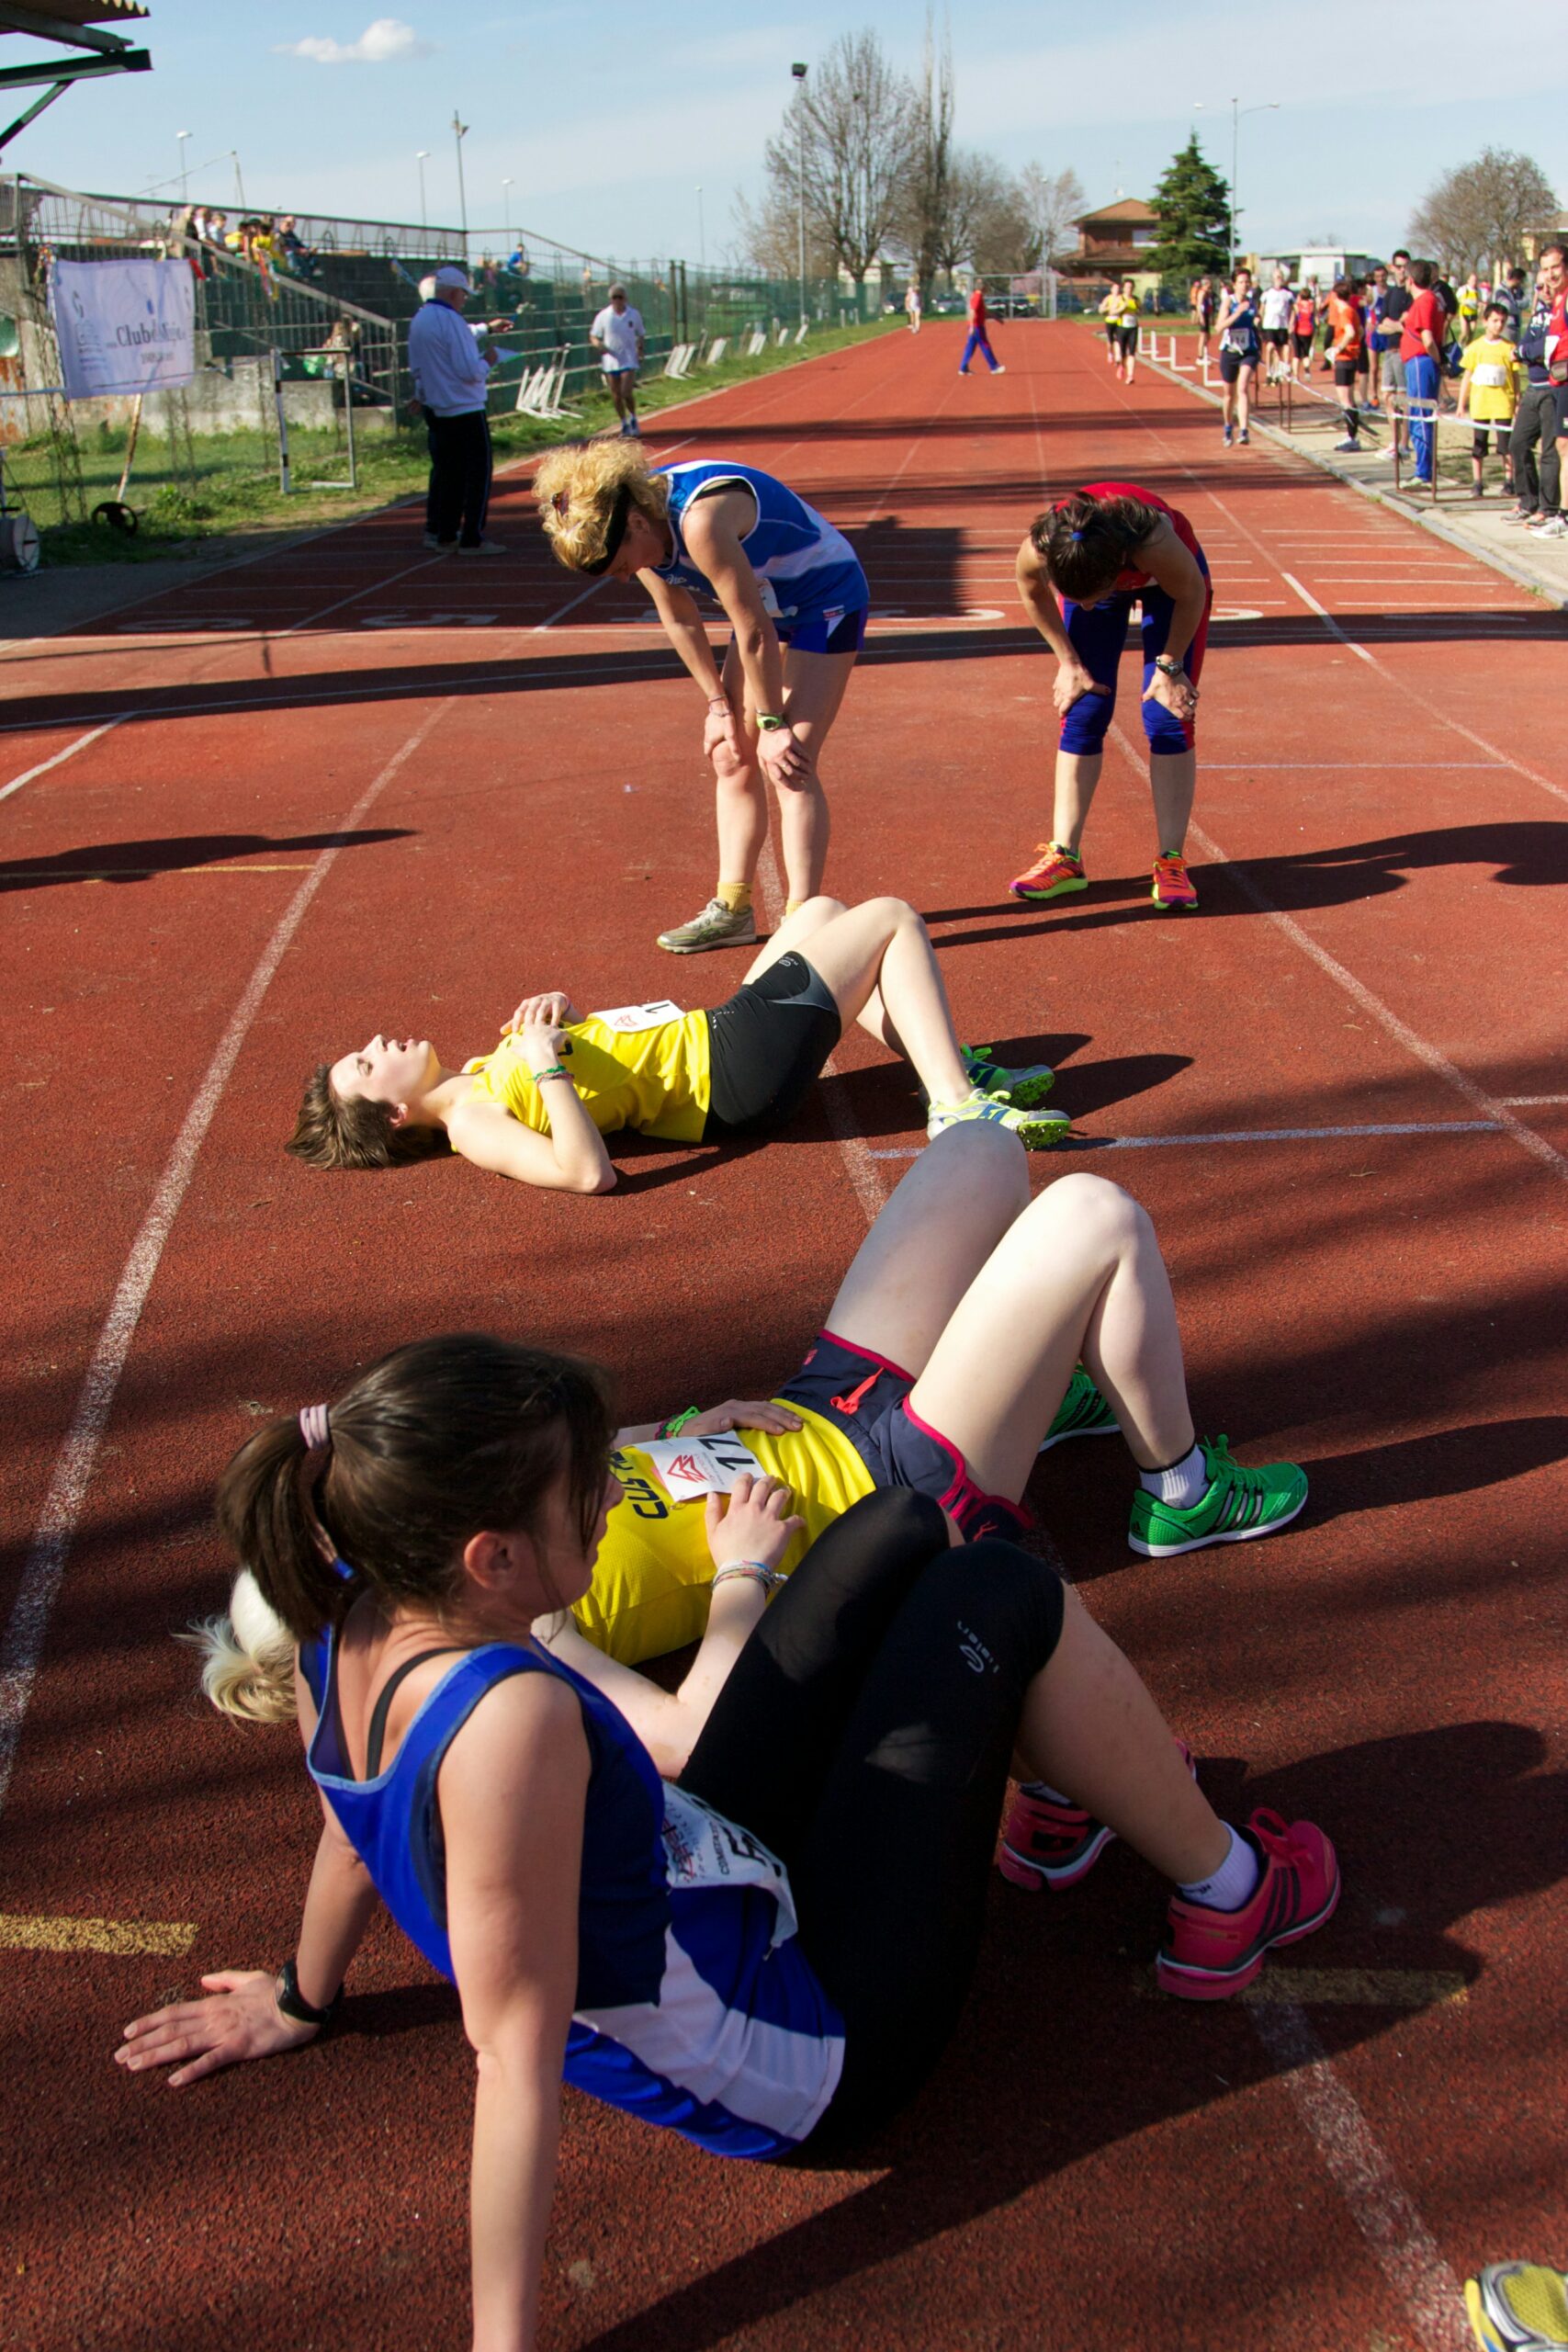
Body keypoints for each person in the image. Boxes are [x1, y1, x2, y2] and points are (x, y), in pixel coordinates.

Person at [118, 1305, 1335, 2351]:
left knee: (899, 1524)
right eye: (584, 1490)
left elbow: (347, 1820)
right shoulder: (513, 1725)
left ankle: (1072, 1794)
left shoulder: (345, 1623)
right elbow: (512, 2056)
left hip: (706, 1864)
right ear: (489, 1557)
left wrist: (300, 1994)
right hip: (816, 2046)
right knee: (1001, 1586)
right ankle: (1226, 1897)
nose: (614, 1498)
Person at [287, 894, 1068, 1193]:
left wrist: (562, 1017)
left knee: (820, 912)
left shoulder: (485, 1072)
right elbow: (588, 1174)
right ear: (392, 1114)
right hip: (729, 1073)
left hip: (713, 1035)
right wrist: (544, 1065)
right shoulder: (471, 1124)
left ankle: (949, 1066)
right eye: (366, 1062)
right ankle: (955, 1105)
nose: (377, 1041)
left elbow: (605, 1063)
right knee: (890, 917)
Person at [534, 441, 868, 954]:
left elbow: (752, 630)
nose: (626, 577)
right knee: (731, 754)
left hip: (824, 599)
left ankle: (805, 923)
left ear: (639, 526)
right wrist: (718, 707)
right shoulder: (630, 520)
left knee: (789, 762)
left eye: (622, 565)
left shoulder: (699, 522)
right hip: (765, 604)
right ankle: (732, 909)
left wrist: (774, 725)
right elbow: (680, 617)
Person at [1009, 481, 1212, 913]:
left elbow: (1192, 592)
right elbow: (1031, 592)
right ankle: (1064, 857)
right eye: (1073, 600)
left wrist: (1170, 667)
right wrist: (1068, 661)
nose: (1080, 608)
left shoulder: (1154, 541)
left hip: (1172, 587)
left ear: (1116, 573)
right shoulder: (1043, 547)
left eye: (1090, 599)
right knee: (1084, 706)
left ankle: (1171, 859)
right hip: (1095, 568)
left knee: (1167, 713)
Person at [407, 266, 505, 555]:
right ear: (453, 293)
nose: (465, 299)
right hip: (465, 408)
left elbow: (419, 367)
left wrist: (420, 395)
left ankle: (443, 532)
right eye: (463, 293)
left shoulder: (420, 320)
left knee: (447, 473)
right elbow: (469, 370)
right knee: (477, 473)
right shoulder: (452, 320)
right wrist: (489, 359)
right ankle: (472, 537)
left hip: (437, 408)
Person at [1507, 243, 1566, 539]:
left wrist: (1527, 351)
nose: (1548, 280)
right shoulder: (1547, 309)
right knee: (1520, 443)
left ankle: (1553, 509)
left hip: (1556, 385)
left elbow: (1544, 349)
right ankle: (1531, 502)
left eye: (1554, 269)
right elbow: (1531, 347)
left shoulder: (1564, 303)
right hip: (1542, 386)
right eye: (1544, 273)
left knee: (1556, 450)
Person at [1457, 300, 1521, 499]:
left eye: (1502, 321)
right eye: (1494, 320)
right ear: (1485, 321)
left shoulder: (1509, 348)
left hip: (1503, 404)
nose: (1498, 325)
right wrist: (1461, 403)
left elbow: (1516, 377)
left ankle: (1508, 481)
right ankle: (1477, 482)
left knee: (1506, 447)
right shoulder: (1475, 348)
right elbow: (1467, 376)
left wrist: (1517, 402)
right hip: (1481, 404)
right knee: (1479, 446)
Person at [1400, 259, 1448, 486]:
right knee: (1420, 415)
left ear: (1411, 280)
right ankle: (1424, 468)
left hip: (1421, 360)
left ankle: (1424, 471)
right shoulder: (1432, 300)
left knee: (1420, 416)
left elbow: (1427, 338)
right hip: (1419, 361)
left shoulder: (1424, 301)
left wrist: (1437, 359)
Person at [589, 283, 646, 438]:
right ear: (611, 299)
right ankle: (624, 422)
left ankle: (633, 416)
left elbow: (640, 334)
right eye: (615, 297)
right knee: (615, 395)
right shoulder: (604, 316)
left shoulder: (633, 314)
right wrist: (598, 344)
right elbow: (594, 335)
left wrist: (640, 349)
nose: (618, 300)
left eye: (620, 297)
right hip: (611, 360)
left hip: (628, 359)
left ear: (625, 298)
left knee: (626, 391)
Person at [1215, 266, 1261, 446]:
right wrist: (1238, 313)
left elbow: (1255, 319)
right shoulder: (1229, 302)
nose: (1244, 285)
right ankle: (1228, 427)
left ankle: (1244, 430)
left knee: (1242, 387)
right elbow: (1219, 327)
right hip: (1229, 352)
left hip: (1248, 352)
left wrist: (1257, 320)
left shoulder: (1252, 302)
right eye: (1241, 282)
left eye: (1247, 282)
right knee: (1228, 395)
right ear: (1234, 285)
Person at [1325, 275, 1369, 451]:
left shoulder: (1344, 313)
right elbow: (1361, 330)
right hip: (1351, 358)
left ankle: (1351, 437)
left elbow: (1351, 332)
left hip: (1344, 359)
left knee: (1345, 401)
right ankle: (1352, 435)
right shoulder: (1352, 311)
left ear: (1336, 297)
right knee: (1350, 399)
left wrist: (1338, 348)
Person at [959, 280, 1004, 375]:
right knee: (985, 345)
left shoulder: (978, 296)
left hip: (976, 325)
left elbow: (984, 311)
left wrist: (996, 318)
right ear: (983, 288)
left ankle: (963, 368)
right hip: (977, 326)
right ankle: (994, 366)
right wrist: (971, 326)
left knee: (970, 347)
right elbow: (972, 311)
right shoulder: (977, 297)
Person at [1260, 266, 1293, 383]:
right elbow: (1262, 309)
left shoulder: (1288, 294)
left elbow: (1292, 309)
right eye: (1277, 277)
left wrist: (1291, 322)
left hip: (1282, 325)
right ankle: (1269, 372)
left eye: (1281, 277)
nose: (1279, 279)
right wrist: (1260, 320)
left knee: (1280, 350)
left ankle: (1277, 372)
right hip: (1269, 324)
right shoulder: (1267, 293)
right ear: (1273, 278)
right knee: (1270, 347)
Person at [1289, 278, 1317, 387]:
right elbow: (1315, 318)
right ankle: (1307, 370)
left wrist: (1290, 328)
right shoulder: (1311, 305)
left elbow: (1293, 318)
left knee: (1296, 354)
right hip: (1308, 331)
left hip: (1298, 331)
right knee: (1305, 353)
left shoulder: (1297, 305)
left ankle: (1296, 376)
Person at [1113, 277, 1141, 383]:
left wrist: (1137, 311)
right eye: (1127, 287)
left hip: (1133, 328)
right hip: (1121, 328)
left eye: (1131, 287)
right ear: (1124, 288)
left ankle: (1130, 376)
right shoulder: (1120, 299)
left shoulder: (1136, 300)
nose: (1129, 289)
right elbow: (1112, 311)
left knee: (1132, 353)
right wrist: (1122, 308)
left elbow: (1141, 312)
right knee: (1122, 353)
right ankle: (1121, 366)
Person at [1100, 280, 1124, 368]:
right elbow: (1101, 309)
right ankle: (1110, 353)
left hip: (1119, 321)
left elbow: (1124, 307)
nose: (1117, 290)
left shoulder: (1121, 298)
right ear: (1111, 290)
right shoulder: (1108, 298)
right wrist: (1108, 308)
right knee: (1110, 340)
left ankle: (1118, 356)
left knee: (1118, 339)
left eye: (1118, 289)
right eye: (1115, 288)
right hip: (1110, 321)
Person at [1190, 275, 1215, 362]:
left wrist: (1211, 317)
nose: (1211, 285)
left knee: (1208, 336)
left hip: (1207, 315)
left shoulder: (1208, 293)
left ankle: (1204, 350)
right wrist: (1201, 317)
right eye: (1209, 283)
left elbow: (1210, 305)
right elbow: (1199, 305)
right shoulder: (1202, 292)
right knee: (1203, 335)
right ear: (1206, 283)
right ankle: (1200, 357)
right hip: (1203, 315)